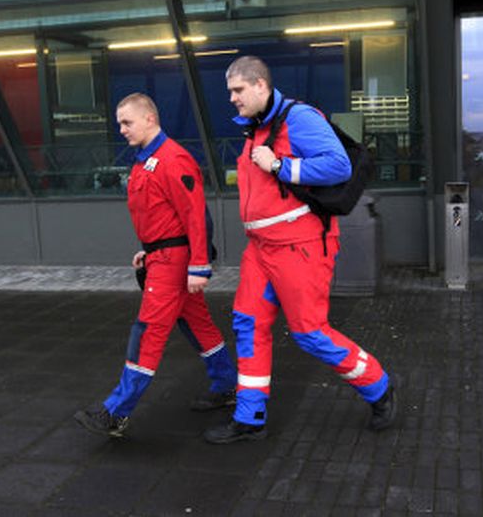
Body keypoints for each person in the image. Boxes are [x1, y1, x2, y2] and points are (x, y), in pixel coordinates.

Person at [203, 55, 396, 444]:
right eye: (230, 92)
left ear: (260, 85)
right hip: (261, 249)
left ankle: (379, 386)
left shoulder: (299, 117)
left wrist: (280, 166)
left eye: (238, 90)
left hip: (300, 247)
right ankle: (250, 417)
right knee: (248, 324)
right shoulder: (256, 129)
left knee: (310, 333)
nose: (232, 99)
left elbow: (338, 166)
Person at [74, 93, 237, 437]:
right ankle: (227, 386)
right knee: (198, 325)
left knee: (147, 332)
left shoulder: (172, 159)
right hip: (163, 257)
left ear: (150, 119)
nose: (121, 129)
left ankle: (116, 412)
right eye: (120, 123)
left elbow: (196, 217)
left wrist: (199, 266)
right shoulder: (146, 159)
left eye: (127, 122)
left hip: (173, 265)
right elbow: (161, 215)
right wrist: (148, 250)